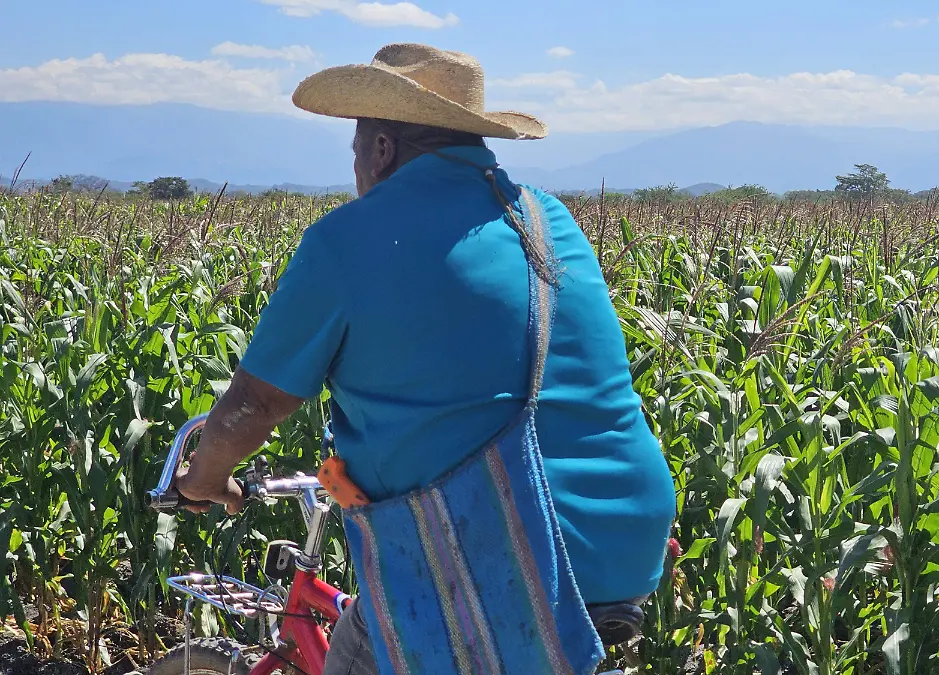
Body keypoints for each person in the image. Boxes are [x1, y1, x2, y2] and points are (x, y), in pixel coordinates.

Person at [174, 43, 677, 674]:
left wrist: (204, 477)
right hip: (624, 541)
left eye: (356, 149)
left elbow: (255, 403)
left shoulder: (348, 240)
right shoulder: (547, 218)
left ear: (382, 149)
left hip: (499, 548)